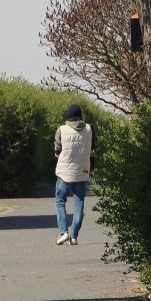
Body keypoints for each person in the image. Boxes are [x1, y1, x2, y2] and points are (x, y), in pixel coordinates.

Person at [54, 104, 99, 246]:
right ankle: (74, 236)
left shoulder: (61, 130)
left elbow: (57, 152)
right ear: (81, 116)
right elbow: (96, 147)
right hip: (82, 172)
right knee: (79, 204)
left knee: (60, 202)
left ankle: (63, 233)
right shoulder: (90, 129)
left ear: (67, 116)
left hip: (64, 173)